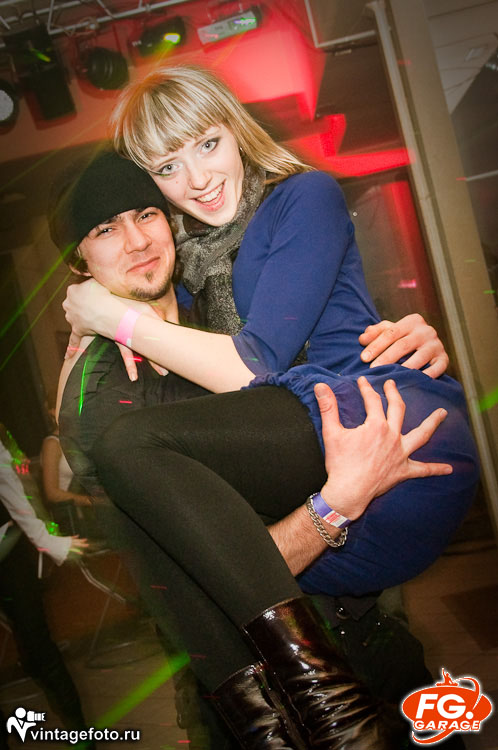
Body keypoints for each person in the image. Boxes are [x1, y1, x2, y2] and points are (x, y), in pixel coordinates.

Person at [52, 144, 477, 748]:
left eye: (145, 214)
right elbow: (202, 575)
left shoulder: (218, 313)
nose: (137, 241)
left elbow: (313, 367)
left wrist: (406, 346)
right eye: (105, 230)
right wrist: (335, 504)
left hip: (375, 641)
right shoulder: (108, 392)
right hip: (276, 698)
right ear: (80, 262)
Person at [0, 432, 94, 750]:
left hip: (7, 550)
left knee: (38, 646)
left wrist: (46, 539)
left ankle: (81, 736)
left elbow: (9, 483)